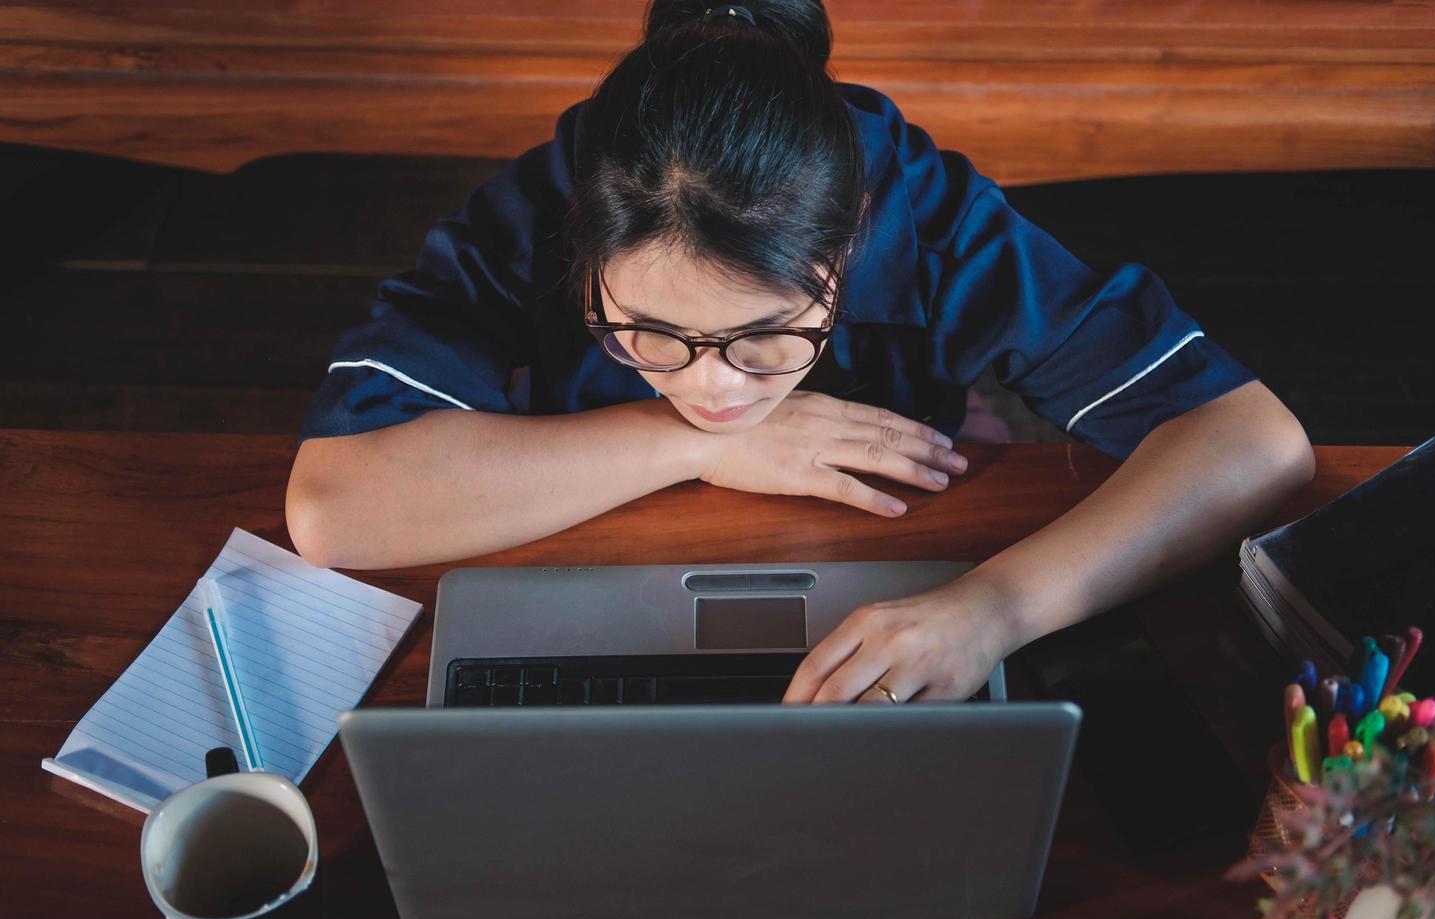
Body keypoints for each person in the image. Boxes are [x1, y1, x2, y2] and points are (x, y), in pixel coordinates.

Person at [286, 0, 1315, 706]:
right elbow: (333, 506)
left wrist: (992, 609)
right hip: (602, 549)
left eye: (768, 338)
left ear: (850, 242)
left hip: (887, 548)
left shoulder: (931, 213)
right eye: (647, 334)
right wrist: (684, 447)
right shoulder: (547, 199)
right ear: (581, 245)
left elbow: (1255, 443)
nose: (713, 388)